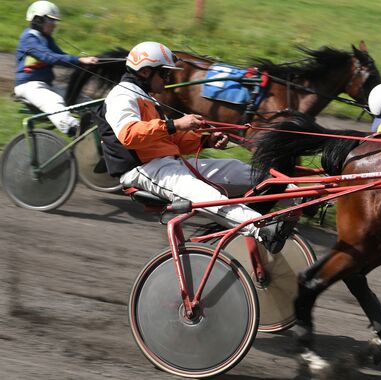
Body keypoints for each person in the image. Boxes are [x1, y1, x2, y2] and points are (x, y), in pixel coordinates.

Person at [98, 41, 293, 253]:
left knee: (236, 168)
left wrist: (205, 140)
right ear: (145, 72)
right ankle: (262, 229)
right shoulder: (122, 96)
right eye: (164, 74)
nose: (167, 79)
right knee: (205, 195)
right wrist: (176, 124)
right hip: (143, 170)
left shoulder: (146, 98)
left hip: (168, 164)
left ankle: (301, 197)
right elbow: (130, 135)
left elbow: (168, 139)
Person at [14, 1, 98, 137]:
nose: (54, 24)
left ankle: (99, 122)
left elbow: (61, 56)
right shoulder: (28, 38)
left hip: (46, 85)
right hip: (28, 86)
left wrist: (86, 62)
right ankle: (74, 129)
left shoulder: (46, 39)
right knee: (53, 101)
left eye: (55, 21)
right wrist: (79, 60)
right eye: (51, 20)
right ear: (38, 20)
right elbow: (49, 57)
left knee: (78, 97)